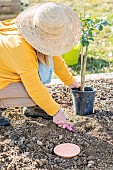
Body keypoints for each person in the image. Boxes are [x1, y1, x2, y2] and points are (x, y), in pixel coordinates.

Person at [0, 2, 81, 127]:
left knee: (40, 90)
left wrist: (71, 82)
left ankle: (31, 108)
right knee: (33, 95)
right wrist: (56, 112)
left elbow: (54, 56)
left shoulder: (29, 28)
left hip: (6, 68)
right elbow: (34, 87)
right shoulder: (21, 48)